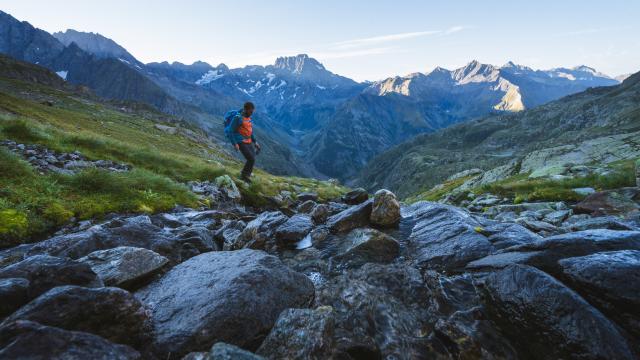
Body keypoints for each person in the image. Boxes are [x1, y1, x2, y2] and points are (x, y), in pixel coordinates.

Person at [229, 102, 261, 183]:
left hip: (248, 140)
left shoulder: (248, 118)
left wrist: (255, 142)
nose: (251, 113)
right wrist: (235, 143)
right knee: (250, 159)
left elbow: (250, 131)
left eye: (252, 111)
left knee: (253, 157)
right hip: (240, 141)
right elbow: (230, 131)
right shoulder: (238, 118)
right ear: (246, 109)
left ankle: (246, 174)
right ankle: (244, 176)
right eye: (250, 111)